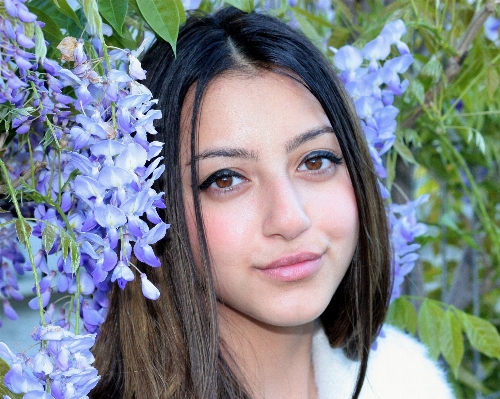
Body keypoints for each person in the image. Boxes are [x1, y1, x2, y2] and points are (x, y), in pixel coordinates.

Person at [91, 7, 454, 399]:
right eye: (226, 179)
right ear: (151, 212)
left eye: (315, 161)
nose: (290, 218)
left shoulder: (408, 385)